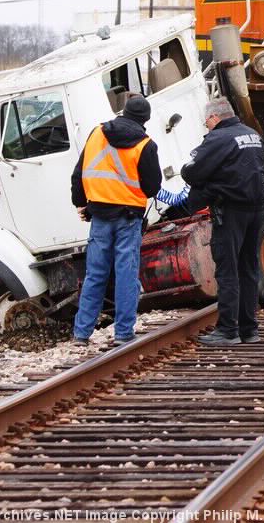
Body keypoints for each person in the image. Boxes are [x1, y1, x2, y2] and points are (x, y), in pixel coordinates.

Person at [70, 94, 162, 346]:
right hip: (128, 218)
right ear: (145, 120)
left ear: (123, 112)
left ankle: (81, 333)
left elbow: (79, 173)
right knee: (126, 274)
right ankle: (123, 333)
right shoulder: (146, 145)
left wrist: (81, 203)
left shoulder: (97, 133)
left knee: (95, 274)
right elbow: (153, 187)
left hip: (98, 216)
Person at [183, 98, 264, 346]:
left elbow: (192, 171)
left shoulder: (218, 139)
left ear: (214, 118)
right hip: (255, 210)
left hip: (230, 211)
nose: (206, 126)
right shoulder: (252, 134)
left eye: (206, 121)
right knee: (249, 269)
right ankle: (249, 329)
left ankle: (227, 330)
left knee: (228, 270)